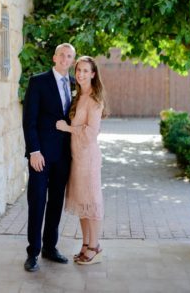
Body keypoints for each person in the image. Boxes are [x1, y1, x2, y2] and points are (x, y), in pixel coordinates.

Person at [22, 43, 76, 272]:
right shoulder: (38, 82)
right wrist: (34, 151)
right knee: (36, 202)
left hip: (64, 156)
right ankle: (33, 252)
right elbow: (29, 120)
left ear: (73, 61)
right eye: (61, 55)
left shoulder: (75, 84)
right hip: (41, 155)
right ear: (54, 57)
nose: (65, 59)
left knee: (55, 202)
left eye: (69, 56)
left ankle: (49, 247)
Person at [56, 56, 106, 265]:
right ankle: (85, 243)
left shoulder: (95, 100)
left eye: (86, 71)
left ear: (93, 74)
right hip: (77, 157)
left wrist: (67, 128)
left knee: (91, 203)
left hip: (88, 159)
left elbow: (91, 132)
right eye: (79, 71)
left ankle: (95, 246)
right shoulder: (78, 96)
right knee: (82, 203)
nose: (81, 74)